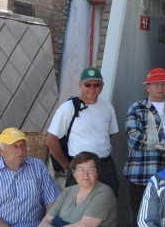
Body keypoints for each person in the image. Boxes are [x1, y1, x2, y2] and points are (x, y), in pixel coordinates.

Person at [124, 67, 165, 220]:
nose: (160, 87)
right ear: (147, 87)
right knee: (139, 221)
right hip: (141, 176)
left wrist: (161, 144)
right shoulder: (136, 108)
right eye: (155, 84)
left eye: (164, 84)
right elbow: (134, 139)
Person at [46, 66, 120, 196]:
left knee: (109, 203)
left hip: (105, 165)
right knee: (78, 205)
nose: (92, 88)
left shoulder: (108, 107)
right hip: (80, 166)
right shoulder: (68, 108)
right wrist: (67, 165)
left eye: (96, 85)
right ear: (80, 85)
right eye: (88, 84)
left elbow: (108, 135)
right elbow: (51, 140)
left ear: (102, 86)